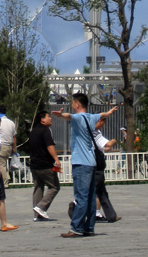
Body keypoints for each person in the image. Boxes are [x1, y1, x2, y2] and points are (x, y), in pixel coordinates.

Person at [53, 94, 117, 238]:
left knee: (81, 196)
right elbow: (102, 114)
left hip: (81, 163)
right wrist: (109, 112)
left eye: (72, 103)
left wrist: (61, 115)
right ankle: (89, 227)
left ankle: (76, 228)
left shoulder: (78, 118)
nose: (72, 105)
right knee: (90, 197)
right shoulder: (91, 117)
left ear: (77, 104)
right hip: (91, 162)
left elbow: (69, 116)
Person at [28, 109, 61, 221]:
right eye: (48, 116)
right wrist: (56, 159)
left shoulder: (33, 131)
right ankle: (41, 207)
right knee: (54, 187)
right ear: (42, 120)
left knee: (38, 188)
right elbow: (50, 146)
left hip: (34, 165)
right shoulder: (46, 130)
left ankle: (37, 215)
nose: (50, 118)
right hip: (45, 164)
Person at [92, 119, 120, 223]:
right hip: (96, 164)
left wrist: (104, 149)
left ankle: (111, 215)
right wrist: (114, 141)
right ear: (99, 121)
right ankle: (75, 205)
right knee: (93, 189)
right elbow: (108, 144)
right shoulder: (95, 132)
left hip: (94, 162)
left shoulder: (88, 131)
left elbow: (99, 146)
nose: (104, 125)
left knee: (101, 191)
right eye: (103, 122)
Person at [0, 105, 17, 187]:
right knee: (4, 163)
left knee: (1, 165)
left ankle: (5, 182)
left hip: (1, 146)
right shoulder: (11, 122)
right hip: (9, 146)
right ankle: (7, 177)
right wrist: (14, 148)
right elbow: (14, 137)